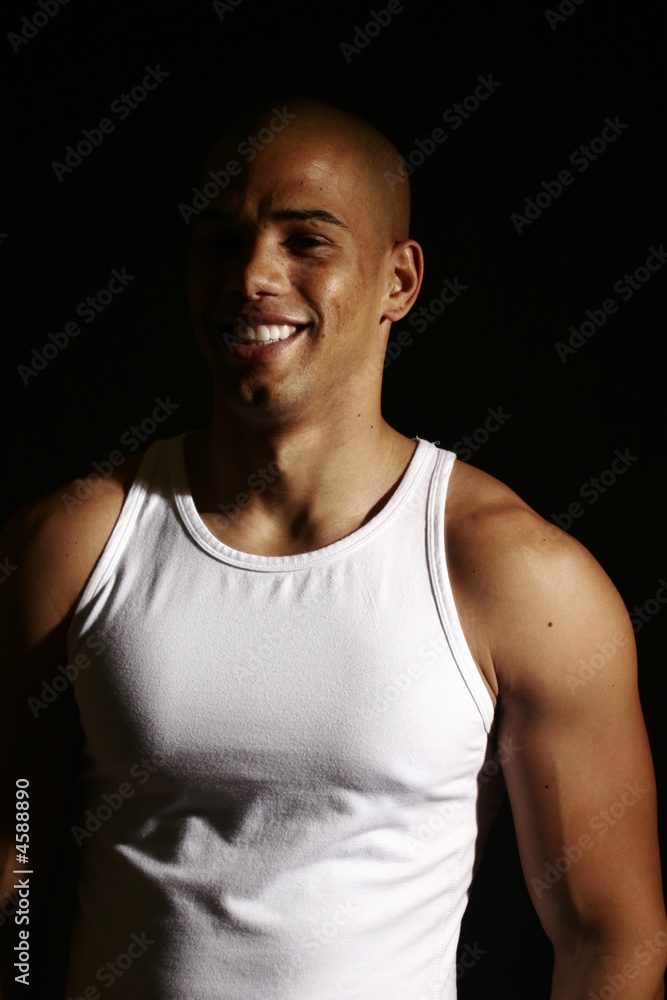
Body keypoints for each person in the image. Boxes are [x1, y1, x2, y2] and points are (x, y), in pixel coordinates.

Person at [1, 96, 664, 1000]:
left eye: (306, 241)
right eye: (219, 242)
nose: (250, 277)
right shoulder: (73, 545)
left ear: (399, 281)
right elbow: (15, 857)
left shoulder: (516, 577)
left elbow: (610, 937)